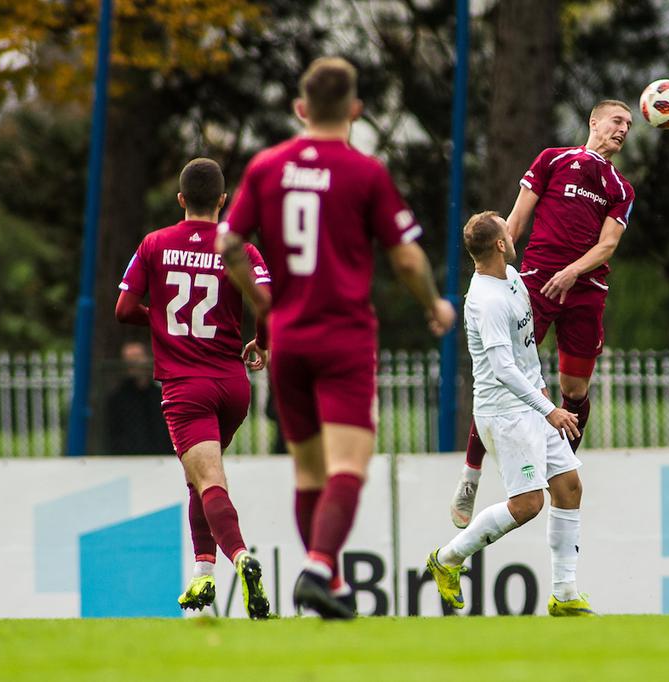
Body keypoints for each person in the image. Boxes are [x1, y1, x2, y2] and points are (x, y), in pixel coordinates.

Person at [216, 56, 455, 619]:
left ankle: (335, 585)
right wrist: (434, 303)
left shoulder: (267, 167)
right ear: (355, 109)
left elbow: (228, 246)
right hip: (343, 337)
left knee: (308, 473)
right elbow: (405, 257)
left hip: (288, 341)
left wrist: (263, 304)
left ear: (301, 109)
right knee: (349, 466)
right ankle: (320, 566)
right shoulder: (364, 172)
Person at [450, 99, 636, 528]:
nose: (624, 128)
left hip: (586, 289)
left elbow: (608, 245)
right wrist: (487, 277)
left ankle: (562, 466)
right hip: (535, 280)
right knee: (503, 370)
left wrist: (572, 273)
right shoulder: (553, 160)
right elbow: (513, 222)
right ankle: (471, 474)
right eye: (617, 120)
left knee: (575, 387)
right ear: (594, 121)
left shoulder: (621, 187)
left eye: (629, 124)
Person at [115, 157, 273, 619]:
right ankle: (203, 579)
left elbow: (124, 308)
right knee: (199, 481)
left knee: (208, 481)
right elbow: (266, 302)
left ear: (181, 199)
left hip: (187, 386)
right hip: (231, 385)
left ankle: (241, 557)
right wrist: (260, 343)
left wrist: (161, 320)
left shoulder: (155, 244)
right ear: (223, 200)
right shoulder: (241, 248)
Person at [426, 210, 593, 617]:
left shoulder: (512, 278)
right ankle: (447, 559)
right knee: (528, 505)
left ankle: (565, 592)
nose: (514, 230)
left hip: (530, 403)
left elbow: (524, 352)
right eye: (507, 227)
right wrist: (550, 409)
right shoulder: (487, 301)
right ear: (500, 244)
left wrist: (541, 394)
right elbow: (503, 371)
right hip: (505, 413)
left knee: (569, 486)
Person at [104, 341, 173, 455]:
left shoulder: (161, 396)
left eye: (137, 357)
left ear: (147, 358)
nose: (133, 363)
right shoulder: (117, 399)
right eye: (128, 359)